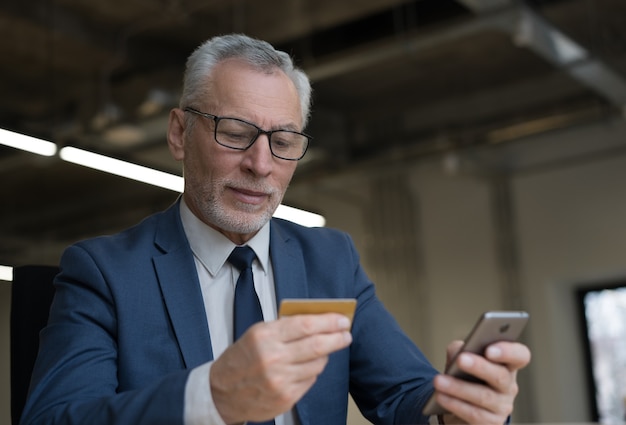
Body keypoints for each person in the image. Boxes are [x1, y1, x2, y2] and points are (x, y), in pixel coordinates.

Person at [20, 34, 531, 425]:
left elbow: (405, 395)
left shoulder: (331, 260)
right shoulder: (104, 272)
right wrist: (212, 397)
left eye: (283, 141)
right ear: (179, 133)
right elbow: (53, 418)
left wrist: (456, 408)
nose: (262, 165)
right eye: (236, 133)